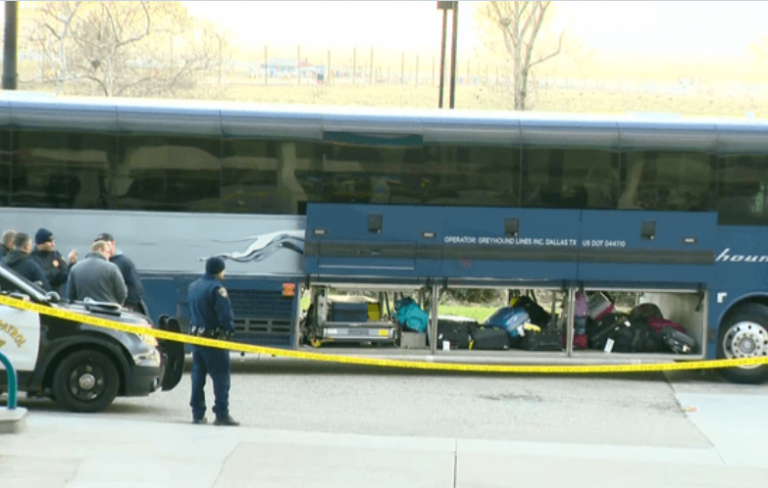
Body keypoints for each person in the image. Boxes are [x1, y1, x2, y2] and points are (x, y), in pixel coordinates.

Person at [188, 257, 239, 426]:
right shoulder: (217, 289)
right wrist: (230, 330)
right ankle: (222, 414)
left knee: (197, 376)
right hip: (214, 340)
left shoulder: (194, 286)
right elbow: (224, 316)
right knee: (221, 377)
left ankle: (197, 413)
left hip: (197, 339)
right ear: (219, 270)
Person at [94, 233, 147, 315]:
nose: (103, 248)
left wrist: (127, 307)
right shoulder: (99, 263)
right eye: (100, 245)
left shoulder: (124, 263)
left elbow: (135, 288)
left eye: (106, 245)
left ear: (113, 244)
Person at [67, 240, 127, 305]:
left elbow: (71, 296)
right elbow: (122, 293)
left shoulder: (75, 268)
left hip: (83, 310)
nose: (109, 256)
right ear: (100, 250)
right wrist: (115, 306)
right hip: (107, 312)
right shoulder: (112, 268)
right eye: (108, 252)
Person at [31, 228, 77, 295]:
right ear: (41, 243)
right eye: (50, 242)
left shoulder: (56, 255)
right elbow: (44, 278)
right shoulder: (33, 258)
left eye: (53, 241)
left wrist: (71, 264)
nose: (53, 244)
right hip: (41, 296)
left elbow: (64, 276)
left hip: (56, 296)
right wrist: (57, 272)